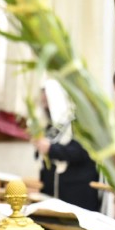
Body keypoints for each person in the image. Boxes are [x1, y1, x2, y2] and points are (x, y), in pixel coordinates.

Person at [32, 80, 100, 211]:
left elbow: (80, 151)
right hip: (55, 189)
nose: (45, 107)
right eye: (43, 103)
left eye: (47, 102)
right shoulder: (53, 125)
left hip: (76, 191)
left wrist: (50, 148)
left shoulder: (81, 122)